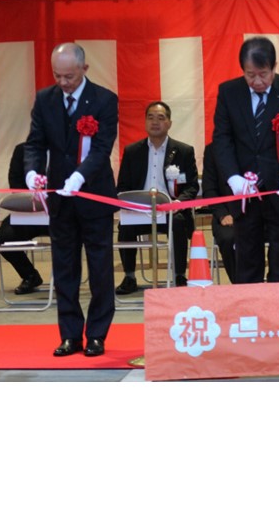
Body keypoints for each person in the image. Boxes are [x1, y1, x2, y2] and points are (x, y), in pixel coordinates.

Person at [24, 42, 118, 357]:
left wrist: (79, 177)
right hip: (60, 200)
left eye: (69, 76)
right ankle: (70, 335)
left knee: (100, 269)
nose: (63, 82)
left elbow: (102, 148)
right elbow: (35, 143)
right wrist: (32, 172)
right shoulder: (45, 99)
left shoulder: (104, 100)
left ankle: (97, 335)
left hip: (94, 196)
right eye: (57, 75)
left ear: (84, 69)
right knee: (64, 268)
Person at [212, 36, 279, 283]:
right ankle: (250, 305)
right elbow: (222, 139)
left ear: (274, 67)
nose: (257, 81)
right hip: (245, 192)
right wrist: (232, 177)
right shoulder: (229, 93)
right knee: (247, 258)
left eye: (263, 74)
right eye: (250, 75)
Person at [115, 101, 199, 292]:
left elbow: (192, 186)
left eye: (160, 118)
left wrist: (178, 202)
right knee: (125, 225)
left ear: (169, 123)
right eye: (150, 117)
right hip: (140, 210)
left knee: (178, 223)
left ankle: (179, 275)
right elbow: (123, 186)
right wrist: (131, 203)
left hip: (170, 210)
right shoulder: (132, 151)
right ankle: (129, 277)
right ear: (145, 122)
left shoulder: (184, 151)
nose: (155, 122)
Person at [0, 142, 50, 294]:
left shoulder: (65, 149)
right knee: (5, 236)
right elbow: (15, 181)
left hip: (58, 214)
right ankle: (30, 276)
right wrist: (33, 199)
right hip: (28, 212)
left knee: (70, 235)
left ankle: (65, 280)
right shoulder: (22, 150)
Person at [201, 141, 236, 284]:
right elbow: (209, 189)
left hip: (257, 213)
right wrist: (223, 214)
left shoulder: (258, 145)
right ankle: (240, 283)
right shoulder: (213, 150)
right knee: (228, 238)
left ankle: (274, 285)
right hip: (226, 214)